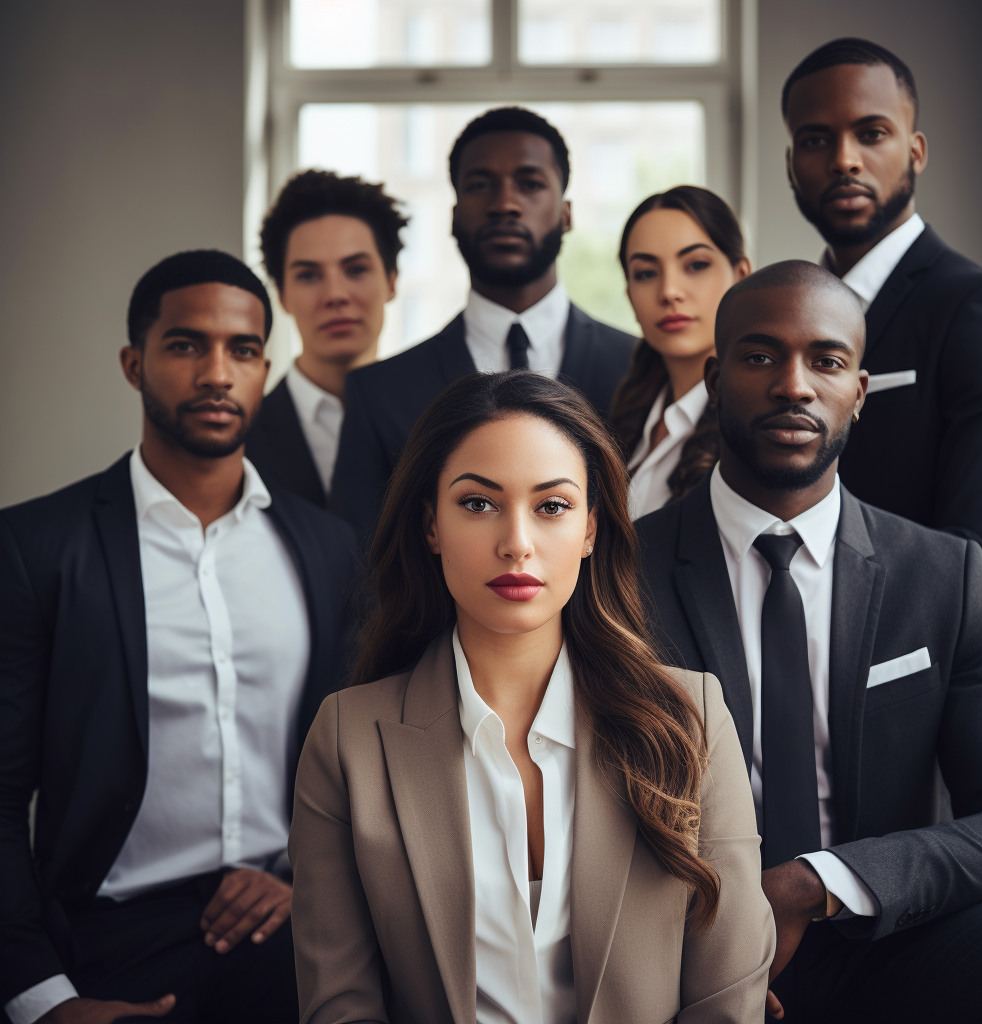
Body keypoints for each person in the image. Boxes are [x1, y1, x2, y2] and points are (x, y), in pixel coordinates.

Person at [289, 371, 774, 1022]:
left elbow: (727, 997)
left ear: (592, 530)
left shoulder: (692, 719)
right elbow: (339, 1007)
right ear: (430, 524)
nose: (516, 542)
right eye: (478, 503)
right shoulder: (348, 738)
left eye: (552, 506)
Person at [635, 261, 982, 1024]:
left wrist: (815, 885)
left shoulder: (947, 576)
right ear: (714, 378)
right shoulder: (616, 571)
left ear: (860, 391)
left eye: (827, 360)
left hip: (883, 930)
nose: (793, 385)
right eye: (759, 356)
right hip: (673, 943)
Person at [0, 251, 360, 1024]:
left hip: (291, 927)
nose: (217, 373)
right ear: (135, 364)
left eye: (243, 350)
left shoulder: (329, 549)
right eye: (186, 344)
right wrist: (42, 1000)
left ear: (267, 366)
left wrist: (308, 876)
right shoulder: (34, 548)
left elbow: (361, 760)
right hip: (103, 940)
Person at [783, 38, 982, 614]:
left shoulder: (981, 310)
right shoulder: (783, 321)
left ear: (915, 151)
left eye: (871, 133)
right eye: (816, 139)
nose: (844, 158)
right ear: (790, 163)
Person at [333, 106, 636, 539]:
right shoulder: (379, 393)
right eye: (479, 185)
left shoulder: (639, 366)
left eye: (530, 184)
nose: (505, 204)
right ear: (454, 216)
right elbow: (362, 573)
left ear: (566, 213)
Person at [246, 170, 407, 509]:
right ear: (282, 295)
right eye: (308, 275)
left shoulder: (433, 418)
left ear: (392, 281)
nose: (335, 295)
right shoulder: (241, 439)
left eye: (356, 269)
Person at [609, 186, 750, 519]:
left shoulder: (760, 425)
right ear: (629, 295)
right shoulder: (627, 415)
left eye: (696, 265)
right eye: (646, 273)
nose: (669, 291)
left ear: (741, 276)